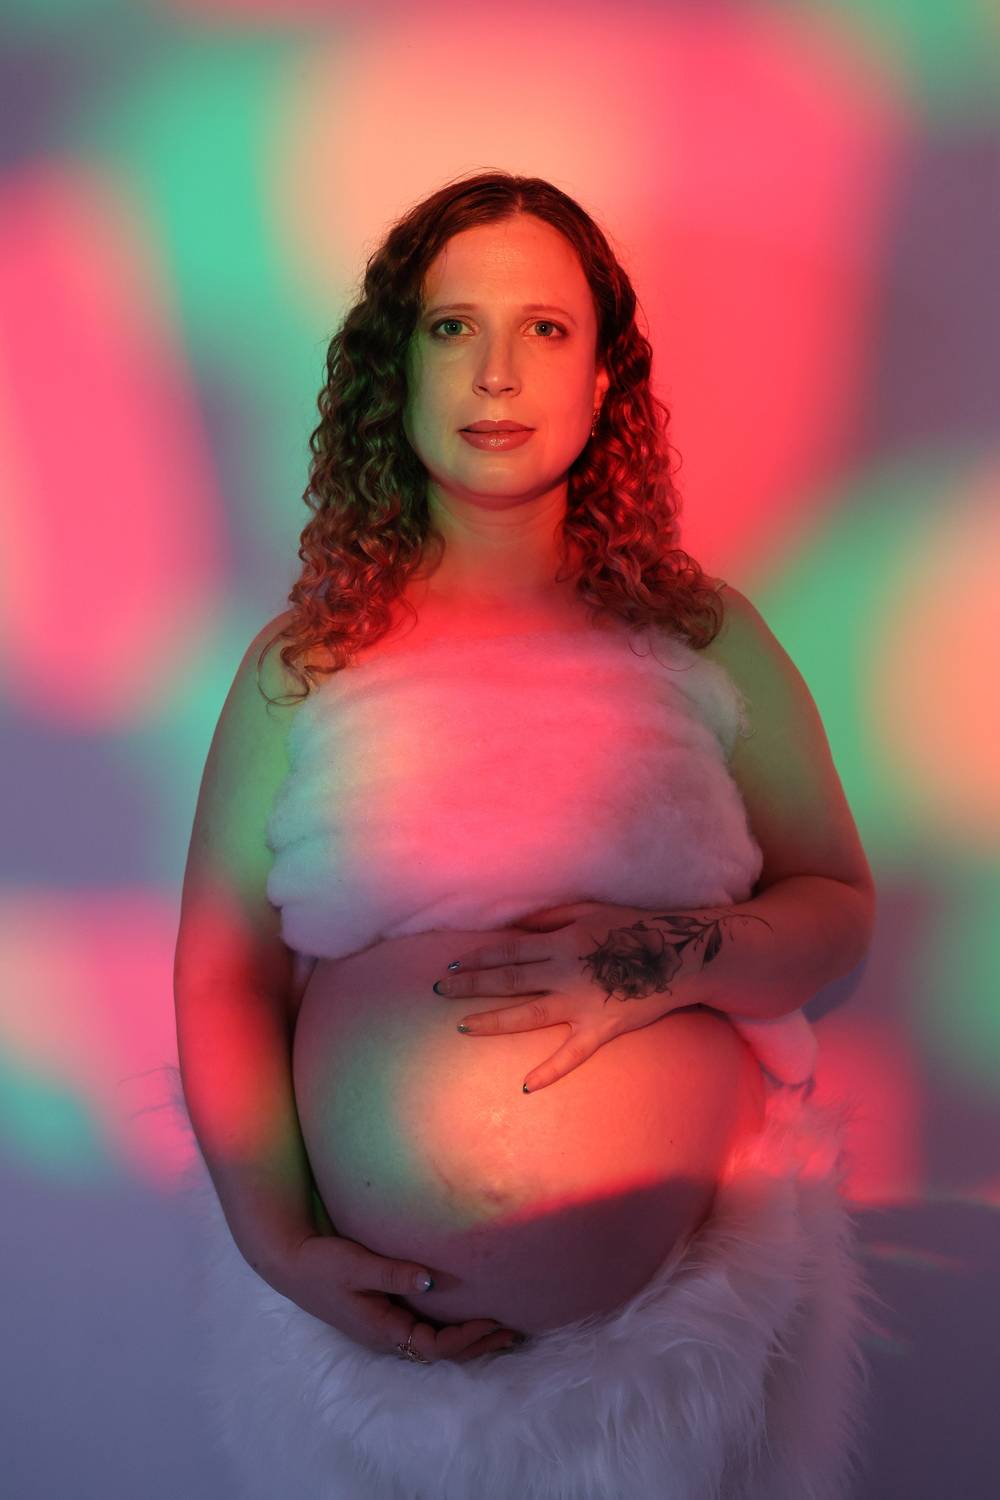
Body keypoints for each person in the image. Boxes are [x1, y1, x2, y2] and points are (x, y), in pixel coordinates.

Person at [168, 172, 878, 1499]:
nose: (496, 371)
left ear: (604, 381)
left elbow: (836, 905)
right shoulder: (300, 667)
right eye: (454, 327)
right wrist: (275, 1243)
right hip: (368, 1396)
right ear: (397, 370)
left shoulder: (702, 636)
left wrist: (656, 958)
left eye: (545, 329)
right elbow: (222, 972)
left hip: (681, 1383)